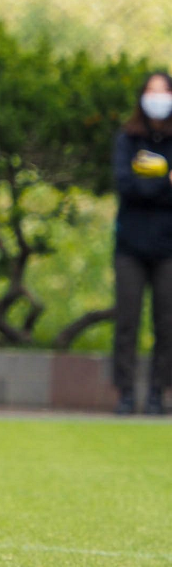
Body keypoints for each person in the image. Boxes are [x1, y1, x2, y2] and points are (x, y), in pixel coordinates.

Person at [111, 71, 172, 416]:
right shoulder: (127, 138)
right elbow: (125, 184)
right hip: (130, 246)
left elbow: (138, 185)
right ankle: (125, 393)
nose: (158, 97)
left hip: (168, 247)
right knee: (127, 320)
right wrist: (165, 182)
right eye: (152, 91)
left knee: (167, 322)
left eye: (165, 91)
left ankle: (157, 393)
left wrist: (146, 181)